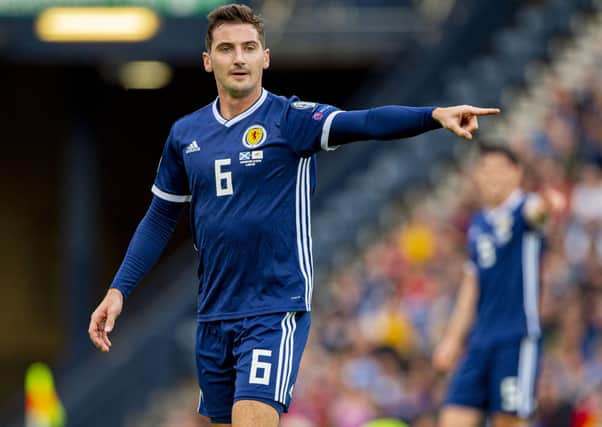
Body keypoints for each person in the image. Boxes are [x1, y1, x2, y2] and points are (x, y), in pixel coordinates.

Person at [88, 4, 500, 427]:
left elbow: (366, 123)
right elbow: (160, 218)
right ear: (208, 61)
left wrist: (432, 116)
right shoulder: (186, 134)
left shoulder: (290, 120)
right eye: (227, 49)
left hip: (273, 306)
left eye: (250, 48)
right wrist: (119, 289)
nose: (240, 58)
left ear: (265, 57)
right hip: (214, 313)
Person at [432, 144, 565, 427]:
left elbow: (540, 210)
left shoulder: (523, 209)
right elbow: (472, 285)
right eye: (485, 170)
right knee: (452, 418)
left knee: (509, 422)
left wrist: (549, 202)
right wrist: (453, 339)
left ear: (516, 173)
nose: (491, 177)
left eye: (498, 169)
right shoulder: (478, 223)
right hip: (480, 341)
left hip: (515, 336)